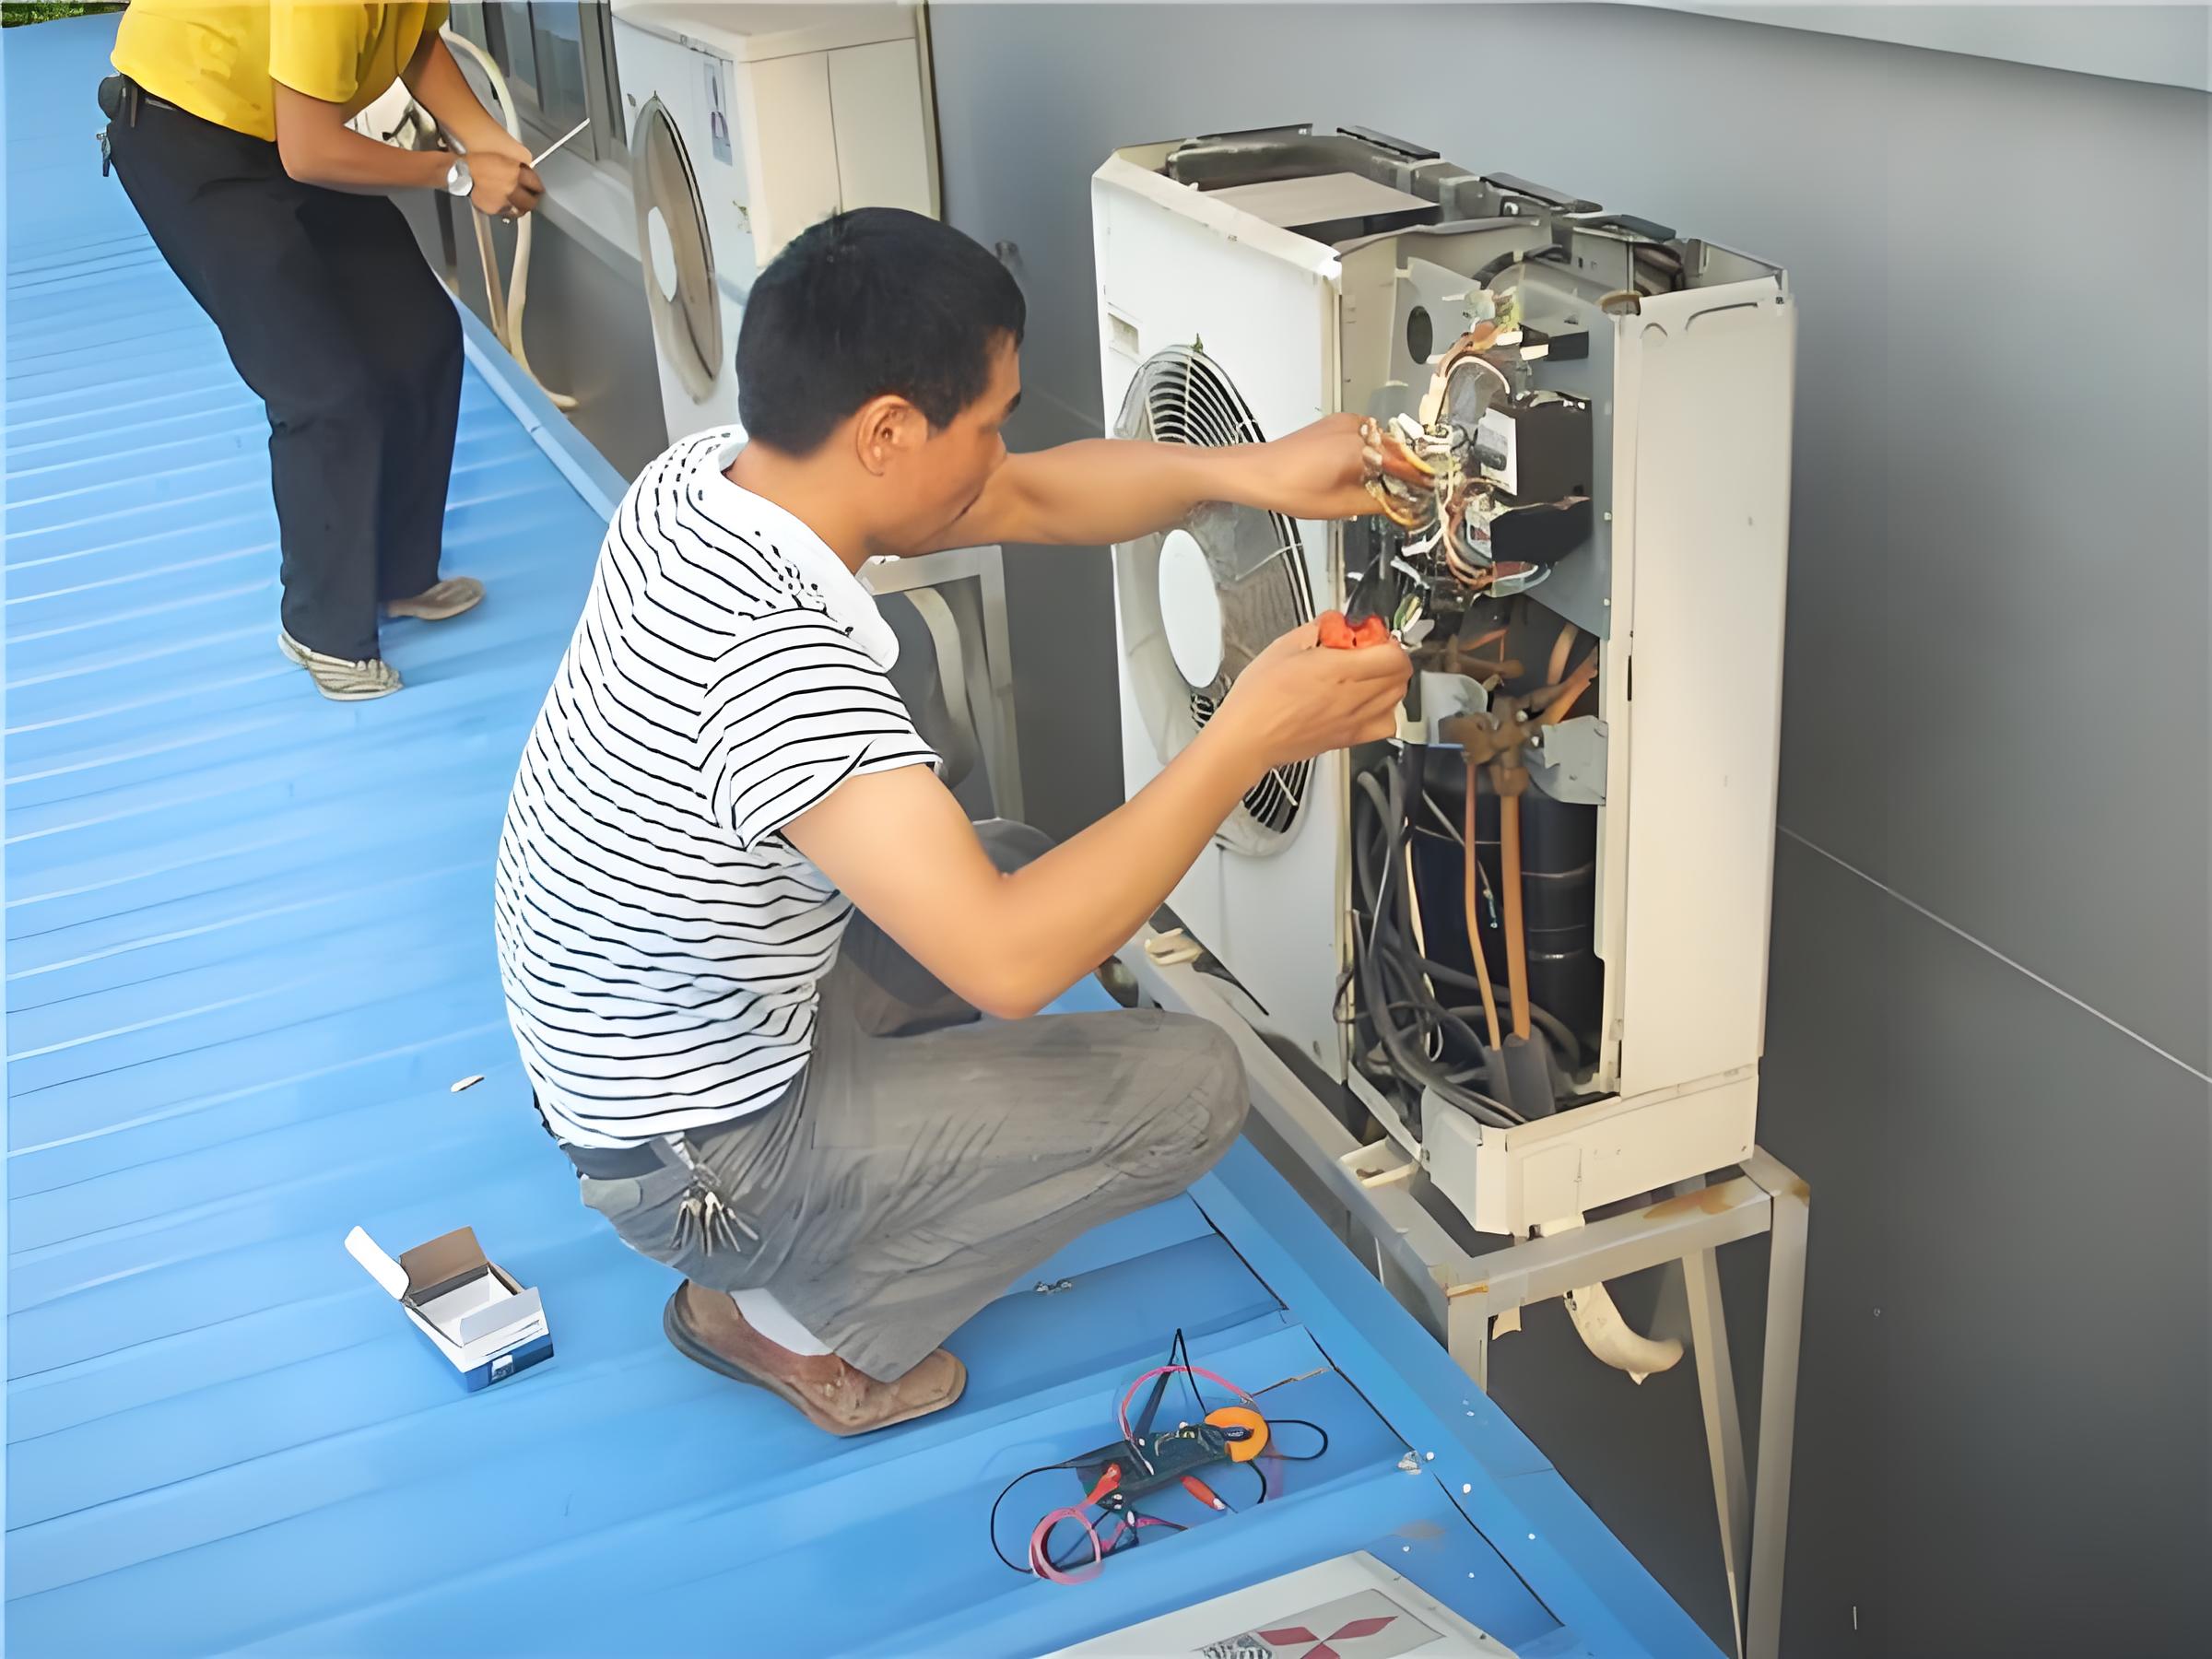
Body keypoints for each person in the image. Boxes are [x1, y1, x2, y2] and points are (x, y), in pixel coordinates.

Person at [493, 207, 1411, 1435]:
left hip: (642, 1044)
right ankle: (787, 1320)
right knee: (1191, 1087)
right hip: (700, 1162)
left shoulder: (709, 483)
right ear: (886, 432)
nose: (1002, 453)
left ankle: (816, 1202)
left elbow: (1027, 497)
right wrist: (1246, 735)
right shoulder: (779, 674)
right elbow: (1013, 964)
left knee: (1015, 860)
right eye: (988, 422)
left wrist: (1249, 473)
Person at [100, 2, 540, 700]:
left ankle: (397, 574)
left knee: (418, 334)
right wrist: (458, 173)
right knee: (321, 387)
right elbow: (311, 153)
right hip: (188, 135)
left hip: (283, 126)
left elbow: (415, 40)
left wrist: (489, 142)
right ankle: (321, 629)